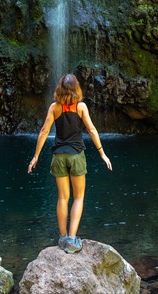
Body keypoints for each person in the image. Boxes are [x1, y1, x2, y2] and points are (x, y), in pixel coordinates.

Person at [28, 73, 112, 254]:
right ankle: (73, 240)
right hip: (76, 156)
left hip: (58, 156)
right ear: (76, 88)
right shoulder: (80, 107)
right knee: (79, 197)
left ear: (60, 88)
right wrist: (102, 153)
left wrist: (35, 156)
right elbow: (91, 129)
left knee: (63, 198)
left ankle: (63, 237)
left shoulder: (54, 107)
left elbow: (44, 131)